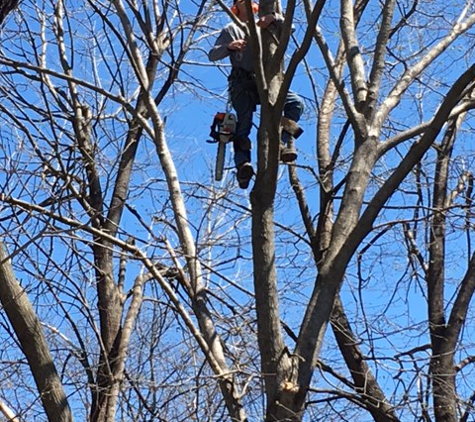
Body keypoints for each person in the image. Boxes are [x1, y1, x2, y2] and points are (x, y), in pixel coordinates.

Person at [208, 0, 305, 189]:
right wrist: (230, 47)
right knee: (243, 124)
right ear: (236, 6)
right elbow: (212, 54)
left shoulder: (265, 23)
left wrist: (274, 18)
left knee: (296, 104)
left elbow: (290, 27)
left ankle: (280, 144)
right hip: (242, 82)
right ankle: (243, 165)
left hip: (268, 81)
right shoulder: (231, 29)